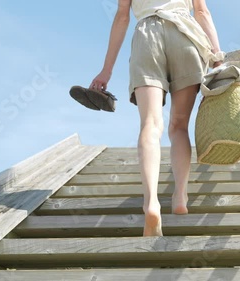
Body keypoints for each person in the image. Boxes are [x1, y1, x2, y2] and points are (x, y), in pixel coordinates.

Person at [90, 0, 223, 236]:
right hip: (185, 35)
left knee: (150, 125)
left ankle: (151, 202)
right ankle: (180, 195)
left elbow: (122, 17)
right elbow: (202, 11)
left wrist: (106, 70)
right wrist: (218, 57)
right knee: (179, 127)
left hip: (147, 37)